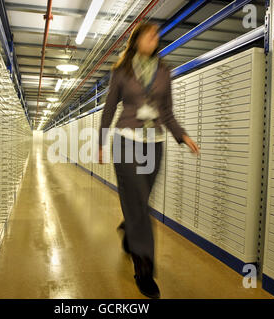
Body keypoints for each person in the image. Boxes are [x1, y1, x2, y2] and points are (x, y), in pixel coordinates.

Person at [97, 22, 200, 299]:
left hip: (154, 143)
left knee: (140, 203)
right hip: (126, 140)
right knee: (139, 205)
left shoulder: (165, 72)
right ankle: (144, 268)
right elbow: (108, 109)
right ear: (137, 39)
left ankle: (129, 231)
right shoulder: (122, 72)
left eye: (157, 35)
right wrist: (100, 142)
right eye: (150, 34)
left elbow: (167, 112)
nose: (155, 38)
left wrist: (183, 136)